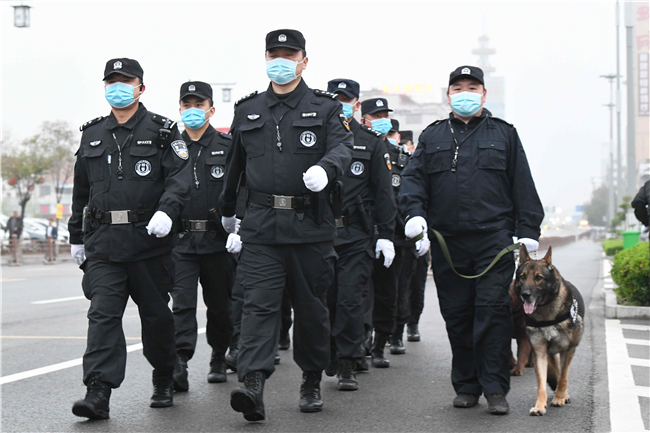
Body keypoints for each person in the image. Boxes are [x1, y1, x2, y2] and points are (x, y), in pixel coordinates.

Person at [219, 29, 353, 421]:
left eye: (289, 55)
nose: (280, 61)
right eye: (273, 54)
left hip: (310, 225)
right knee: (258, 307)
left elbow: (343, 147)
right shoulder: (248, 110)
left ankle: (311, 379)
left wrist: (326, 169)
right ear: (265, 59)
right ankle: (253, 384)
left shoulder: (325, 108)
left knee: (311, 310)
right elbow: (234, 167)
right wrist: (227, 212)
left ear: (303, 62)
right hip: (261, 227)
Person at [398, 65, 544, 415]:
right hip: (448, 242)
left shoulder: (504, 134)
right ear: (448, 95)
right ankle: (466, 386)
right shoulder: (432, 136)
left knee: (493, 313)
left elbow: (522, 183)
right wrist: (414, 214)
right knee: (457, 314)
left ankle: (495, 388)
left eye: (472, 87)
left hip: (493, 241)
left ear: (484, 94)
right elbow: (413, 180)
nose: (465, 93)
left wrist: (528, 229)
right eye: (458, 88)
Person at [68, 58, 191, 419]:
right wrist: (76, 237)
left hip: (148, 243)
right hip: (104, 244)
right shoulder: (92, 134)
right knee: (102, 316)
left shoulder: (163, 132)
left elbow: (180, 179)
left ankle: (165, 374)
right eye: (112, 82)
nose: (118, 88)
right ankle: (98, 391)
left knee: (156, 318)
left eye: (126, 81)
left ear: (141, 88)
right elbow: (81, 192)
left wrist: (167, 211)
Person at [324, 78, 396, 390]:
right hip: (321, 233)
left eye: (346, 99)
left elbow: (383, 193)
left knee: (350, 299)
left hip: (356, 234)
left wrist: (386, 234)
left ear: (356, 104)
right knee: (325, 299)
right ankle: (330, 351)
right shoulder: (317, 137)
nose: (340, 104)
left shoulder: (370, 142)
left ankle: (348, 362)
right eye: (335, 98)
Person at [170, 81, 241, 392]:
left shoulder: (227, 146)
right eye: (187, 105)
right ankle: (180, 362)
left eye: (198, 105)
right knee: (182, 304)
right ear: (180, 109)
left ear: (211, 110)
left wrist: (240, 226)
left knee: (220, 306)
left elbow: (241, 187)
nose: (192, 111)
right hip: (182, 241)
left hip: (217, 241)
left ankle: (218, 356)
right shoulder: (171, 148)